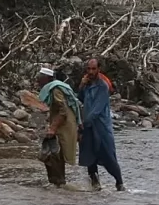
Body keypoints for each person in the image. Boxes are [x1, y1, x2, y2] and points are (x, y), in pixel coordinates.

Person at [79, 58, 125, 191]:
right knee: (89, 156)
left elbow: (97, 110)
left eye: (94, 69)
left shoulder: (102, 86)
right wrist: (81, 86)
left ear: (99, 69)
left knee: (108, 155)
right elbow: (80, 98)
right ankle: (95, 185)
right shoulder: (87, 84)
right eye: (89, 69)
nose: (91, 71)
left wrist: (83, 124)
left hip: (101, 126)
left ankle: (119, 183)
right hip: (88, 125)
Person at [37, 67, 81, 187]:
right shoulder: (57, 87)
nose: (38, 81)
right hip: (65, 125)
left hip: (64, 127)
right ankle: (58, 184)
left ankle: (59, 184)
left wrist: (53, 128)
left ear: (48, 79)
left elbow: (63, 111)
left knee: (54, 156)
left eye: (40, 78)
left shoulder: (55, 89)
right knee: (55, 155)